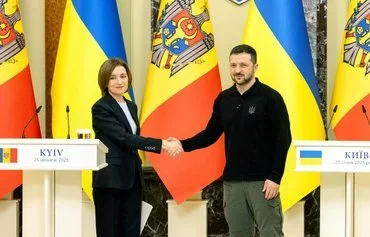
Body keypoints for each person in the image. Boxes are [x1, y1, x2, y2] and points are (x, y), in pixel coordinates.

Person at [173, 44, 291, 237]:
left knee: (271, 233)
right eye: (233, 65)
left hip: (263, 183)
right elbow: (210, 134)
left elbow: (283, 139)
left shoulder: (271, 98)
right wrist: (182, 144)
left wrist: (275, 177)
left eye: (243, 65)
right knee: (238, 233)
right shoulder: (224, 99)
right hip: (232, 182)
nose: (238, 70)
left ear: (255, 67)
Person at [91, 58, 182, 237]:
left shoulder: (131, 106)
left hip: (132, 179)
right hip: (110, 181)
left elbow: (132, 139)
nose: (119, 81)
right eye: (113, 78)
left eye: (123, 76)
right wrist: (162, 144)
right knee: (109, 232)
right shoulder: (100, 108)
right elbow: (124, 138)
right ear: (105, 81)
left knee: (132, 232)